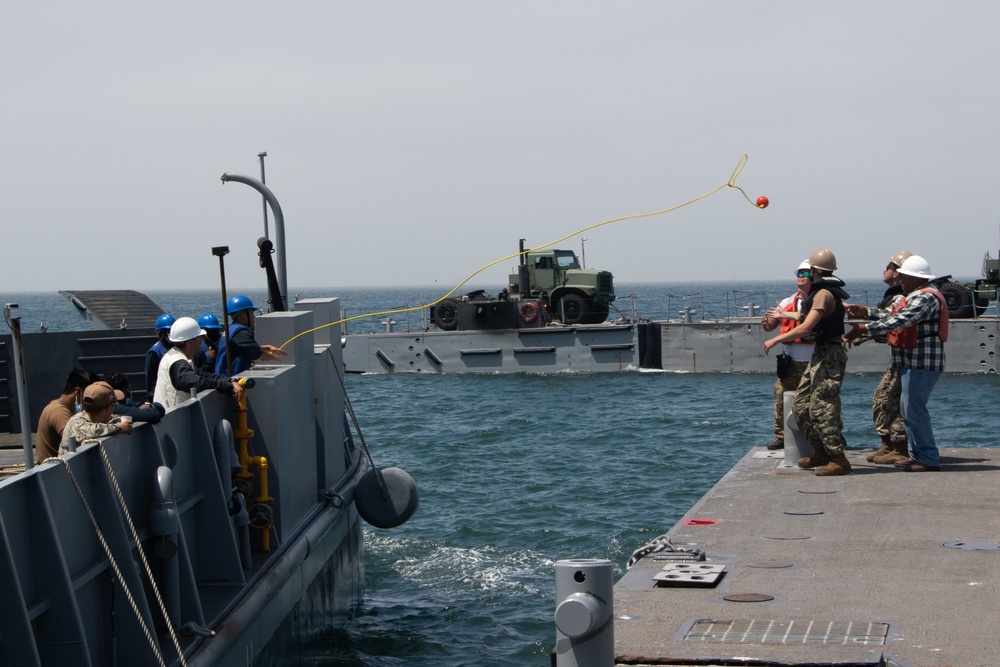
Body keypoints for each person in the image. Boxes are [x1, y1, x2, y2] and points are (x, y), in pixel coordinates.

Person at [844, 255, 948, 472]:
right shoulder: (916, 295)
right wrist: (866, 311)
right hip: (911, 362)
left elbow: (901, 319)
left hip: (921, 363)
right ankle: (917, 454)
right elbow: (891, 313)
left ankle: (928, 457)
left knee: (914, 410)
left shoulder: (925, 298)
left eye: (903, 276)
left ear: (914, 277)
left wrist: (864, 328)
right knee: (909, 410)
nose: (900, 279)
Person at [763, 248, 851, 476]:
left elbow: (805, 327)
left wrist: (775, 339)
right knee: (800, 405)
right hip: (819, 354)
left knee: (822, 406)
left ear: (813, 270)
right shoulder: (821, 293)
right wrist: (784, 314)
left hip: (829, 355)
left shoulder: (823, 294)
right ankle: (820, 451)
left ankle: (838, 458)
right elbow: (802, 317)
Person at [844, 251, 913, 464]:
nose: (885, 270)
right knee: (882, 399)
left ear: (898, 272)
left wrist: (863, 329)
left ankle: (899, 448)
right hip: (898, 358)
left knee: (891, 401)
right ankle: (888, 444)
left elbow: (892, 321)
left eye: (890, 267)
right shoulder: (893, 297)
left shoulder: (901, 297)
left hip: (907, 359)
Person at [760, 260, 815, 450]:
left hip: (815, 361)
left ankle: (831, 434)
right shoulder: (787, 303)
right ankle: (782, 435)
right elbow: (771, 327)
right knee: (781, 396)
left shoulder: (819, 301)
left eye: (805, 273)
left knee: (821, 400)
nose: (801, 277)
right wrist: (768, 322)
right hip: (791, 362)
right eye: (799, 273)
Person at [155, 317, 244, 410]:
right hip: (172, 420)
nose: (201, 340)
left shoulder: (176, 356)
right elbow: (197, 383)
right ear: (190, 342)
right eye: (199, 337)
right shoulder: (178, 362)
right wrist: (227, 386)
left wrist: (229, 381)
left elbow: (201, 375)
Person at [215, 295, 287, 376]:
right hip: (229, 379)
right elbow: (256, 352)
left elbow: (243, 348)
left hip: (222, 376)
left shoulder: (231, 329)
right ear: (242, 317)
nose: (254, 317)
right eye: (252, 314)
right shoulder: (241, 332)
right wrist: (273, 357)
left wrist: (267, 348)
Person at [35, 368, 94, 463]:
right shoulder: (58, 411)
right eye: (86, 398)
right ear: (78, 392)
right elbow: (76, 439)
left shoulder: (60, 408)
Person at [59, 381, 134, 456]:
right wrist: (118, 427)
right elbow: (91, 431)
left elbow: (113, 419)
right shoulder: (76, 422)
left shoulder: (100, 419)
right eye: (113, 405)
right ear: (108, 407)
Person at [101, 371, 166, 424]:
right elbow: (154, 414)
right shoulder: (113, 408)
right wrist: (141, 409)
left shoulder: (123, 404)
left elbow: (159, 406)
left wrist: (149, 405)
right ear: (125, 391)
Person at [144, 313, 175, 399]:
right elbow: (151, 380)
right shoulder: (154, 352)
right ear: (160, 333)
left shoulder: (177, 348)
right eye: (167, 331)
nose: (169, 334)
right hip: (161, 396)